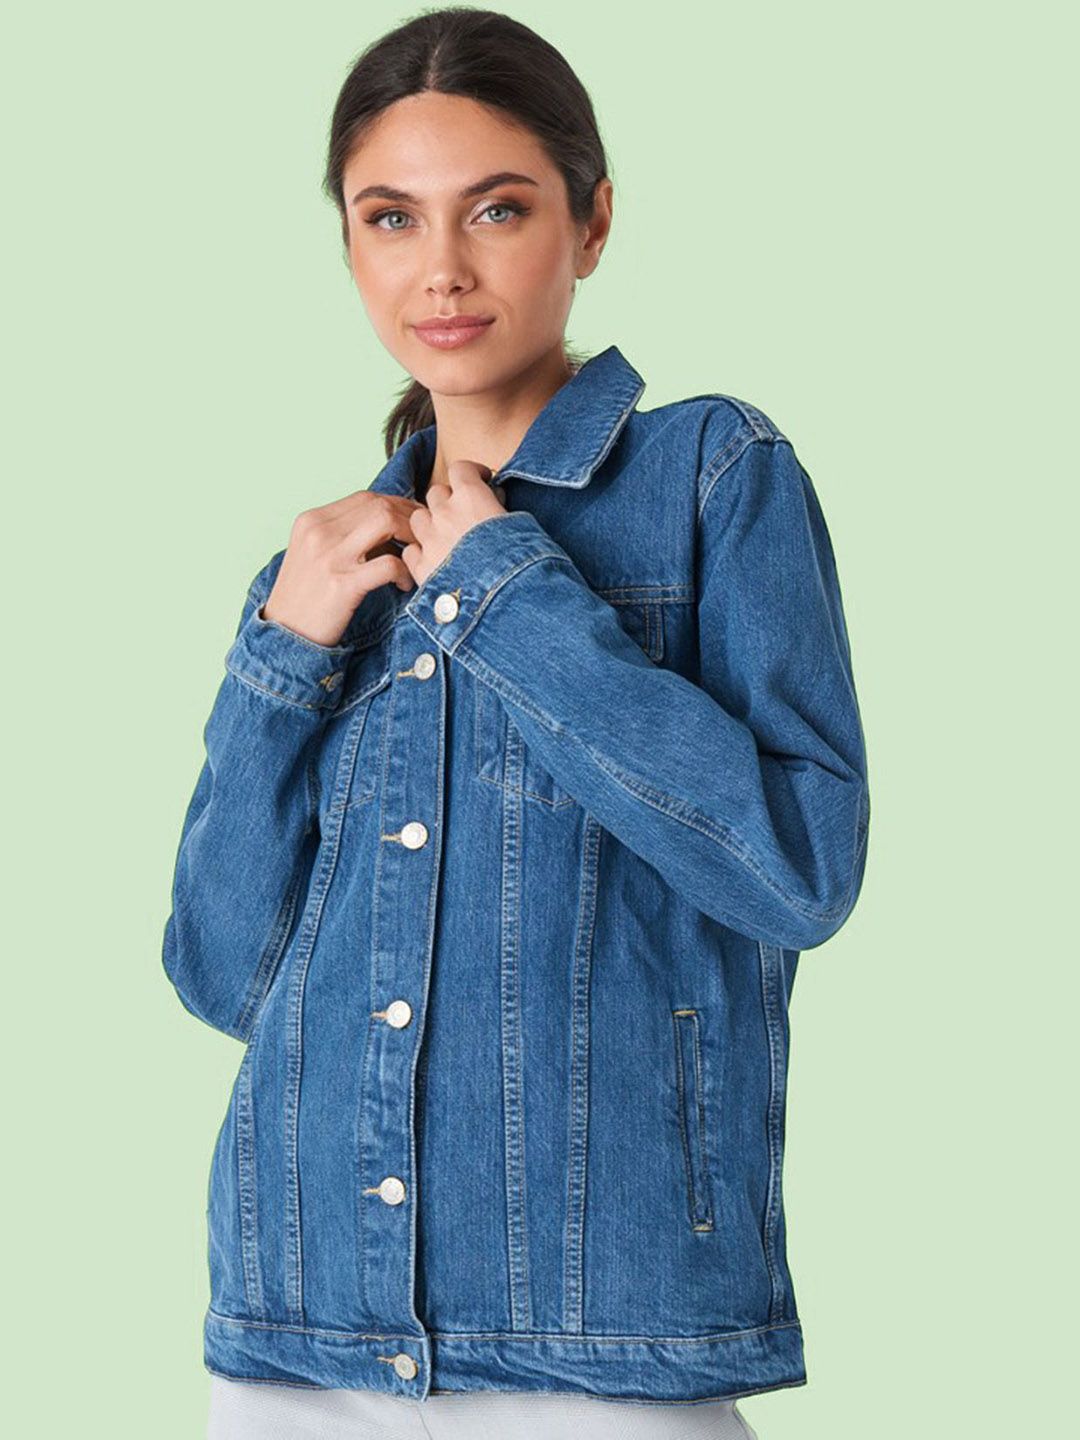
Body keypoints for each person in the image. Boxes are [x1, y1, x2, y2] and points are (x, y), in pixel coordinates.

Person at [162, 9, 870, 1438]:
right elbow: (222, 975)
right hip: (300, 1325)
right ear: (350, 248)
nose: (441, 267)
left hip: (604, 1329)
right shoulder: (323, 573)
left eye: (497, 208)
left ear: (591, 222)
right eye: (390, 217)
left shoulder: (711, 474)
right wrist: (281, 653)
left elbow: (796, 869)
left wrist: (506, 596)